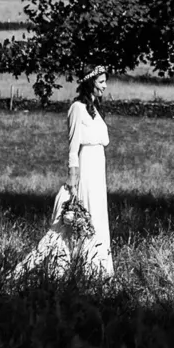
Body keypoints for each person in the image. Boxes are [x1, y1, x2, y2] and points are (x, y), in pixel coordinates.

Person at [68, 65, 113, 277]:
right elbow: (73, 145)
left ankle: (99, 266)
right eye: (101, 81)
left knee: (99, 212)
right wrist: (73, 177)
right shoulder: (77, 108)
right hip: (86, 164)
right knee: (88, 213)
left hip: (98, 164)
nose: (105, 85)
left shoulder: (95, 109)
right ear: (90, 82)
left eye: (105, 81)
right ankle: (85, 266)